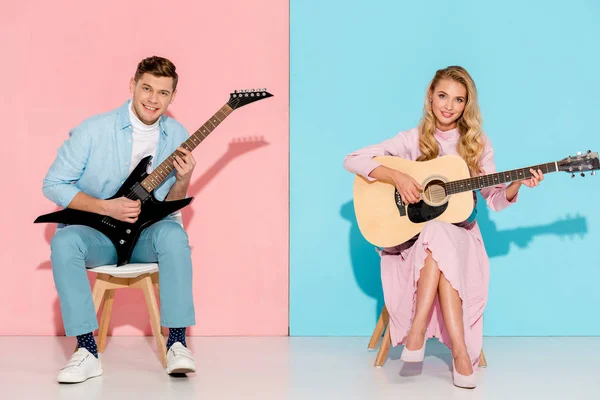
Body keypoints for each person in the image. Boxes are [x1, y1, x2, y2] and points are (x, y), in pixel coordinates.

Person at [343, 66, 543, 389]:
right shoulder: (411, 140)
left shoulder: (476, 144)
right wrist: (397, 176)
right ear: (429, 97)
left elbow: (493, 199)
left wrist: (517, 183)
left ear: (467, 105)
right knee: (434, 231)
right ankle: (461, 355)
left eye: (459, 99)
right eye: (442, 96)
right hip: (413, 245)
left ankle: (417, 332)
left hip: (463, 240)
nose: (449, 106)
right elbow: (352, 159)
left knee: (440, 231)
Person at [43, 56, 198, 383]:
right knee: (64, 241)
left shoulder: (177, 134)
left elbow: (168, 207)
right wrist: (106, 207)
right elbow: (53, 184)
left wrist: (183, 180)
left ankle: (177, 344)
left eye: (163, 93)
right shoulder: (93, 130)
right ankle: (86, 351)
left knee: (173, 236)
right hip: (98, 235)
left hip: (145, 236)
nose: (153, 99)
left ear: (172, 97)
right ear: (132, 85)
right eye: (147, 88)